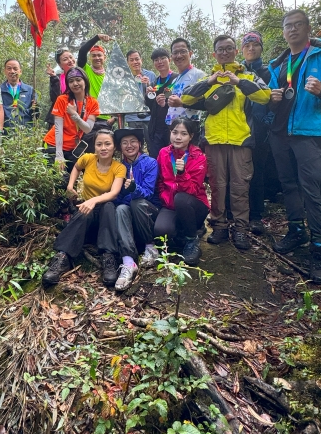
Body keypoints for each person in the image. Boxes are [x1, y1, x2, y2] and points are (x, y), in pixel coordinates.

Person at [268, 9, 321, 282]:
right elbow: (268, 96)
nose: (292, 30)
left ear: (307, 28)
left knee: (311, 188)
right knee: (288, 184)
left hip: (310, 132)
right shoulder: (279, 63)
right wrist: (273, 97)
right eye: (288, 26)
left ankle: (318, 247)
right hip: (280, 132)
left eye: (297, 25)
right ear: (283, 32)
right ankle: (296, 231)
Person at [182, 35, 271, 250]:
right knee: (217, 186)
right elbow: (186, 98)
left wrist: (239, 82)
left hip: (241, 141)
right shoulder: (208, 79)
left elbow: (265, 96)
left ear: (235, 51)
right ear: (214, 54)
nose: (224, 52)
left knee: (240, 187)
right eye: (220, 49)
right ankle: (219, 225)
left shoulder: (248, 76)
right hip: (214, 140)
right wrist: (209, 82)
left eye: (229, 48)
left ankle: (241, 229)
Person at [42, 129, 126, 288]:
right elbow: (76, 167)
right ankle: (62, 258)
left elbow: (114, 193)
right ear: (94, 146)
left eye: (107, 144)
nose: (103, 148)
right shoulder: (88, 159)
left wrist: (93, 200)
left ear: (114, 147)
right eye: (99, 144)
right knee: (84, 210)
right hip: (87, 215)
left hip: (106, 219)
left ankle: (109, 258)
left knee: (108, 206)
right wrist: (70, 185)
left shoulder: (119, 167)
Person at [155, 118, 209, 266]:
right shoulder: (164, 153)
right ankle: (182, 232)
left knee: (181, 199)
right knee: (161, 230)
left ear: (191, 136)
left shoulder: (198, 157)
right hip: (170, 203)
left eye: (183, 134)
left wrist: (182, 173)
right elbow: (160, 181)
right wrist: (164, 198)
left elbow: (192, 190)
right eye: (175, 132)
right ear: (170, 133)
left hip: (193, 204)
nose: (178, 137)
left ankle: (192, 240)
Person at [113, 128, 161, 291]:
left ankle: (150, 247)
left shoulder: (150, 163)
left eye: (133, 141)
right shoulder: (119, 167)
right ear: (120, 147)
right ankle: (128, 261)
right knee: (120, 209)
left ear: (140, 144)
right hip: (129, 212)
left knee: (137, 203)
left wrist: (134, 188)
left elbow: (148, 193)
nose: (129, 145)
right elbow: (118, 198)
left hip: (148, 211)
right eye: (124, 143)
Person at [241, 32, 273, 235]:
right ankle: (235, 213)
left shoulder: (269, 72)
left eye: (255, 45)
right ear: (242, 50)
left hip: (261, 129)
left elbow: (274, 100)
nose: (251, 49)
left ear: (261, 48)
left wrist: (268, 124)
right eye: (247, 46)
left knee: (258, 172)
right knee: (238, 173)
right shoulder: (237, 72)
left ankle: (256, 216)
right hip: (240, 128)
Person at [43, 67, 99, 171]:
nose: (75, 83)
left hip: (73, 147)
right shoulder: (62, 100)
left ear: (85, 81)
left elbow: (87, 129)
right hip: (54, 145)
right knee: (58, 180)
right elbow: (58, 128)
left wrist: (75, 116)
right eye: (71, 81)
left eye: (78, 80)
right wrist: (59, 155)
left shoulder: (93, 103)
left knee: (71, 182)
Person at [164, 38, 205, 143]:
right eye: (175, 53)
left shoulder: (199, 75)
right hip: (173, 128)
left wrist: (182, 103)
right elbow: (174, 104)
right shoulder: (175, 79)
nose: (179, 55)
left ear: (190, 53)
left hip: (189, 128)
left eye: (183, 51)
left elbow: (206, 103)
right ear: (172, 57)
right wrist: (164, 102)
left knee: (189, 159)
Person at [146, 48, 178, 158]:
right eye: (156, 60)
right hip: (156, 129)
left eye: (163, 58)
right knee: (156, 159)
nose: (159, 62)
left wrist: (166, 104)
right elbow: (150, 107)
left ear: (169, 60)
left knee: (172, 159)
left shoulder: (177, 79)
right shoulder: (154, 83)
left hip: (172, 127)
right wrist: (148, 96)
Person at [124, 49, 155, 148]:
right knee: (135, 145)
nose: (135, 62)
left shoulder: (150, 75)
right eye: (131, 60)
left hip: (149, 116)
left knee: (152, 143)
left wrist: (149, 84)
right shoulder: (124, 77)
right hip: (132, 116)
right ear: (128, 62)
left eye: (137, 59)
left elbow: (156, 92)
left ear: (141, 60)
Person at [0, 58, 39, 130]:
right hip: (5, 132)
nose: (12, 71)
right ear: (4, 71)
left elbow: (36, 115)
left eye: (15, 69)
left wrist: (36, 108)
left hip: (25, 133)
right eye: (9, 68)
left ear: (20, 71)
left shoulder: (30, 90)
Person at [45, 48, 76, 128]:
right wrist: (53, 78)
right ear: (60, 65)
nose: (70, 60)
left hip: (76, 119)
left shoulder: (82, 77)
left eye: (71, 57)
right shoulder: (57, 78)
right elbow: (55, 99)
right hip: (58, 120)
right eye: (65, 59)